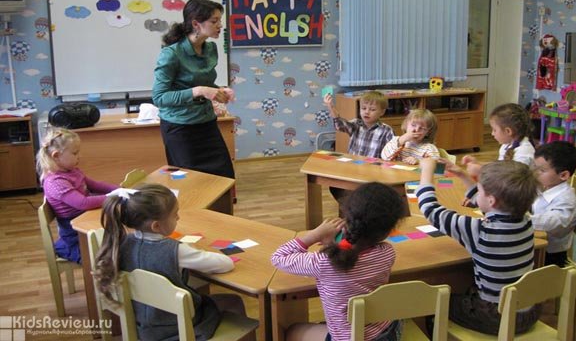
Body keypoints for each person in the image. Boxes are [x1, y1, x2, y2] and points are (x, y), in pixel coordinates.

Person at [93, 184, 249, 341]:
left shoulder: (121, 244)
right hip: (179, 327)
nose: (178, 218)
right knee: (233, 300)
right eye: (175, 215)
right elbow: (226, 263)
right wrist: (188, 249)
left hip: (143, 327)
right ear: (156, 226)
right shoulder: (176, 250)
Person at [271, 182, 409, 341]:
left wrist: (314, 235)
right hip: (388, 332)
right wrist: (335, 246)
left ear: (347, 212)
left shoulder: (324, 262)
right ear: (388, 231)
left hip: (348, 338)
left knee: (292, 331)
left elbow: (279, 257)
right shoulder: (387, 253)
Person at [417, 158, 540, 335]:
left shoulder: (480, 231)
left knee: (434, 303)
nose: (477, 195)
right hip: (529, 311)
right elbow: (489, 206)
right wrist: (462, 175)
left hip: (496, 316)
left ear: (491, 200)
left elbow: (431, 210)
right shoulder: (526, 221)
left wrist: (427, 171)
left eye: (480, 190)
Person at [152, 0, 235, 179]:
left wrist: (219, 90)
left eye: (219, 20)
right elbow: (159, 97)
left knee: (224, 178)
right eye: (214, 21)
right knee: (191, 183)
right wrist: (200, 91)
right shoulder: (171, 54)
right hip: (180, 129)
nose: (220, 25)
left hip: (206, 123)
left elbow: (204, 83)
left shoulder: (211, 49)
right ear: (196, 24)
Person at [36, 128, 117, 264]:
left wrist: (119, 190)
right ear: (56, 156)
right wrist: (112, 197)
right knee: (108, 258)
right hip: (75, 236)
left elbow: (95, 185)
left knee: (117, 243)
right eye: (75, 153)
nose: (79, 156)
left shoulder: (72, 171)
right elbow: (83, 203)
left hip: (85, 222)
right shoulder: (55, 182)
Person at [531, 141, 576, 267]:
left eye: (542, 170)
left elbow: (553, 222)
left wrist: (522, 220)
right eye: (535, 167)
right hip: (537, 244)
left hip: (551, 257)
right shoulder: (546, 186)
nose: (536, 173)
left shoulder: (567, 199)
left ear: (563, 175)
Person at [462, 103, 535, 178]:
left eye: (494, 130)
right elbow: (500, 167)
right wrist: (478, 163)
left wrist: (481, 170)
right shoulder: (506, 145)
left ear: (508, 131)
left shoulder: (524, 152)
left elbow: (513, 178)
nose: (492, 133)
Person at [324, 91, 394, 158]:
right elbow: (340, 125)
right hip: (353, 164)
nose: (367, 112)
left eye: (372, 109)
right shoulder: (356, 124)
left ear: (382, 112)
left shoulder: (386, 130)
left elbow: (392, 152)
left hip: (372, 165)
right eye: (363, 108)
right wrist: (331, 107)